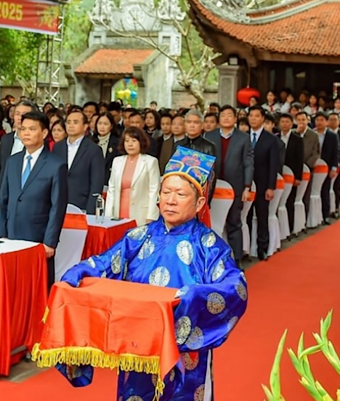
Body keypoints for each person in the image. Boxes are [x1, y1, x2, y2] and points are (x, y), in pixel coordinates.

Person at [57, 146, 247, 401]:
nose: (170, 200)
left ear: (200, 203)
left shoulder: (210, 246)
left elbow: (235, 286)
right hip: (138, 343)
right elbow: (106, 263)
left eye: (180, 194)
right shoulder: (138, 237)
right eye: (166, 192)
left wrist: (198, 295)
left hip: (185, 351)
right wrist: (82, 270)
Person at [0, 111, 68, 289]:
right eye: (23, 129)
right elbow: (4, 200)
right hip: (11, 236)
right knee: (12, 286)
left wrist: (50, 242)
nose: (26, 133)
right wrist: (1, 235)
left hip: (38, 237)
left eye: (32, 129)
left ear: (44, 133)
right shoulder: (12, 161)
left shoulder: (55, 165)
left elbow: (57, 207)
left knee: (36, 287)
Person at [205, 106, 253, 266]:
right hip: (212, 187)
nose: (226, 118)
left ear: (235, 119)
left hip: (235, 186)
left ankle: (236, 259)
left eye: (229, 115)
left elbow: (248, 163)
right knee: (212, 223)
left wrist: (247, 187)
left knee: (234, 222)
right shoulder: (209, 136)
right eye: (223, 115)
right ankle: (211, 259)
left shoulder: (243, 138)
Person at [53, 111, 106, 214]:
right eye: (68, 122)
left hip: (82, 205)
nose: (71, 125)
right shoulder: (58, 147)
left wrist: (90, 211)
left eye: (75, 122)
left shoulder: (93, 150)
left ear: (85, 126)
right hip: (58, 204)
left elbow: (96, 183)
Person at [105, 127, 160, 226]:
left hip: (141, 214)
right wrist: (108, 215)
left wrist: (151, 216)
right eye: (127, 141)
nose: (130, 144)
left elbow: (154, 190)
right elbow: (111, 189)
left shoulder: (150, 162)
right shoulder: (117, 161)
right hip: (118, 212)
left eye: (134, 141)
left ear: (141, 142)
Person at [248, 106, 281, 260]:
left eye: (257, 116)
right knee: (246, 217)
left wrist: (270, 187)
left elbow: (273, 165)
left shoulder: (271, 140)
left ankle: (262, 248)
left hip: (262, 184)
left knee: (262, 217)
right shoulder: (242, 137)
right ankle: (247, 248)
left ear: (262, 118)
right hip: (246, 185)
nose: (253, 119)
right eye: (251, 116)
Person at [314, 112, 340, 224]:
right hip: (313, 167)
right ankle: (314, 216)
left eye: (322, 120)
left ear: (327, 122)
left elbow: (336, 152)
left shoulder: (332, 136)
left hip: (327, 167)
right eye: (317, 120)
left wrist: (334, 168)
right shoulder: (312, 134)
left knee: (325, 190)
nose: (319, 122)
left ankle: (325, 215)